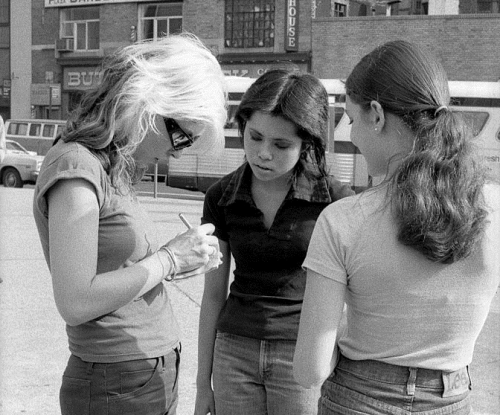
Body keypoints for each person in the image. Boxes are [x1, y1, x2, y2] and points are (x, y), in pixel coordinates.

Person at [293, 40, 500, 415]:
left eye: (352, 120)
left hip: (356, 399)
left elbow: (310, 370)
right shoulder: (495, 209)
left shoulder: (343, 221)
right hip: (452, 400)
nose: (351, 136)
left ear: (376, 114)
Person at [32, 33, 227, 415]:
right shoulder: (77, 167)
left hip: (142, 370)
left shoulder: (114, 165)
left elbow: (120, 269)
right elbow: (75, 301)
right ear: (147, 102)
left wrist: (181, 259)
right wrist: (169, 259)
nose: (179, 150)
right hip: (114, 378)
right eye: (181, 135)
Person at [194, 69, 354, 415]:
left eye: (281, 145)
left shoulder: (335, 200)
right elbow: (211, 296)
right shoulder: (221, 197)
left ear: (306, 144)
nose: (263, 153)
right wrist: (201, 384)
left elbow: (352, 297)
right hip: (233, 352)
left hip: (302, 355)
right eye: (255, 137)